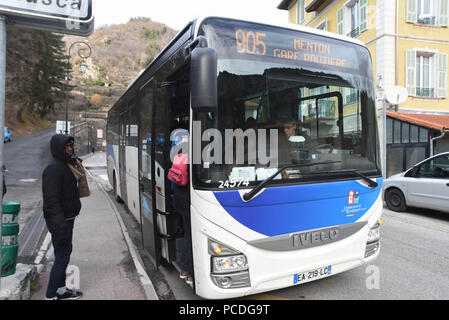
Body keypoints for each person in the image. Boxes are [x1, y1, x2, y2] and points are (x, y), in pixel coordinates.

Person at [42, 134, 83, 300]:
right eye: (66, 147)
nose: (70, 149)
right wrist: (60, 226)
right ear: (58, 148)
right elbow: (51, 201)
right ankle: (50, 295)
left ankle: (60, 289)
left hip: (67, 218)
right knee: (62, 255)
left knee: (65, 252)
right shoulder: (53, 169)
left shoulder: (65, 165)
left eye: (70, 146)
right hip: (60, 221)